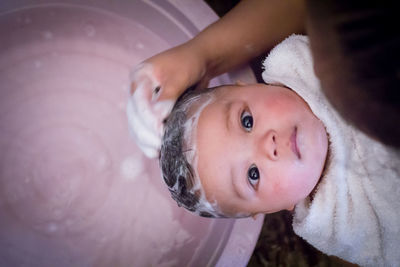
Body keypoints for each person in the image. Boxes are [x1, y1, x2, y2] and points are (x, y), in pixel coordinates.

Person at [159, 34, 400, 267]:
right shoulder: (343, 226)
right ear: (275, 207)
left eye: (247, 121)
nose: (268, 145)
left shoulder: (320, 60)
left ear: (250, 86)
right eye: (253, 174)